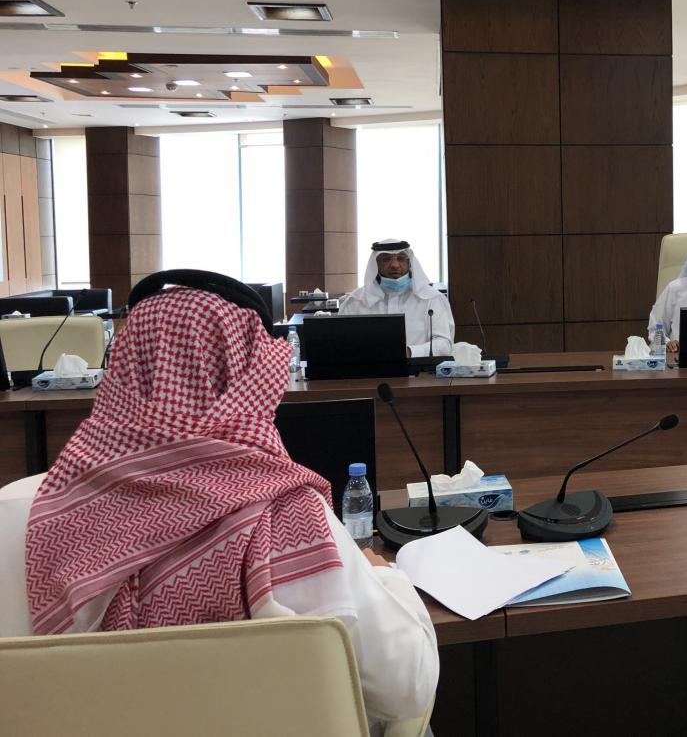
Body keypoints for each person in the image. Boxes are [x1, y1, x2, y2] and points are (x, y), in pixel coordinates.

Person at [0, 281, 438, 727]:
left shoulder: (17, 513)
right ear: (251, 380)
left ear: (120, 369)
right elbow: (406, 688)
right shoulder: (292, 519)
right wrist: (389, 578)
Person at [339, 238, 454, 357]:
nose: (395, 265)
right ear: (376, 264)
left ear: (409, 263)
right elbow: (342, 344)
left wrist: (410, 352)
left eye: (401, 258)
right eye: (386, 259)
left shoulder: (432, 299)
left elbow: (444, 344)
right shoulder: (355, 302)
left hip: (418, 368)